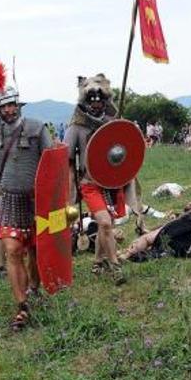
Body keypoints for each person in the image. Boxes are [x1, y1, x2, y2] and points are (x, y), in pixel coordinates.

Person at [0, 60, 54, 331]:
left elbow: (52, 161)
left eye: (11, 105)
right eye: (3, 106)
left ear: (17, 105)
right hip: (6, 197)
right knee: (12, 249)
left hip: (36, 198)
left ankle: (34, 287)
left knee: (34, 250)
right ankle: (21, 305)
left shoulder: (37, 127)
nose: (8, 110)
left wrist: (58, 198)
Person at [64, 73, 128, 285]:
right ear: (85, 103)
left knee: (105, 225)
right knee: (105, 222)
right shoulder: (77, 127)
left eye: (100, 101)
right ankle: (115, 265)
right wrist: (70, 190)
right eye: (91, 101)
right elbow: (66, 158)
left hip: (110, 183)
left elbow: (122, 150)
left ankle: (98, 261)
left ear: (105, 101)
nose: (96, 105)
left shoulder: (111, 122)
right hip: (89, 183)